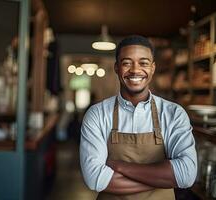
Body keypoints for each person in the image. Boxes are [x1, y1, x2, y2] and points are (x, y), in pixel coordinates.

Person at [80, 35, 197, 199]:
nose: (135, 70)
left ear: (153, 68)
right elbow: (95, 179)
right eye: (127, 63)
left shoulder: (173, 113)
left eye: (143, 63)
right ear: (116, 67)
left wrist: (120, 167)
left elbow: (186, 175)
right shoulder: (97, 114)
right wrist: (164, 179)